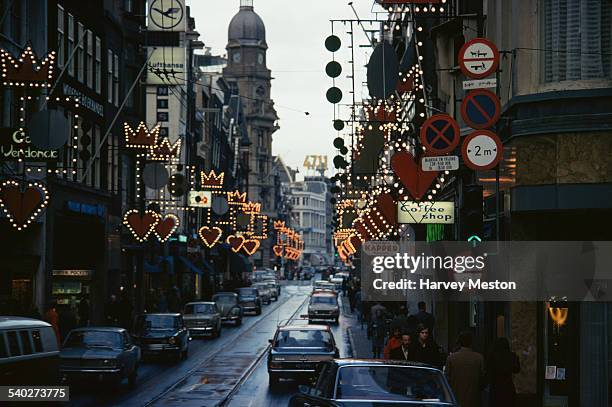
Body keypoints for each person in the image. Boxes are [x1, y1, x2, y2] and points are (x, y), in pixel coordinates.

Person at [445, 331, 485, 407]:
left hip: (456, 397)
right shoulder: (479, 358)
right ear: (471, 342)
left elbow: (447, 377)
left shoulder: (451, 358)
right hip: (474, 398)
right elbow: (482, 378)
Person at [487, 337, 520, 407]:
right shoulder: (512, 356)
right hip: (508, 386)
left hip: (496, 387)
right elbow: (517, 370)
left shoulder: (492, 355)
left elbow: (488, 371)